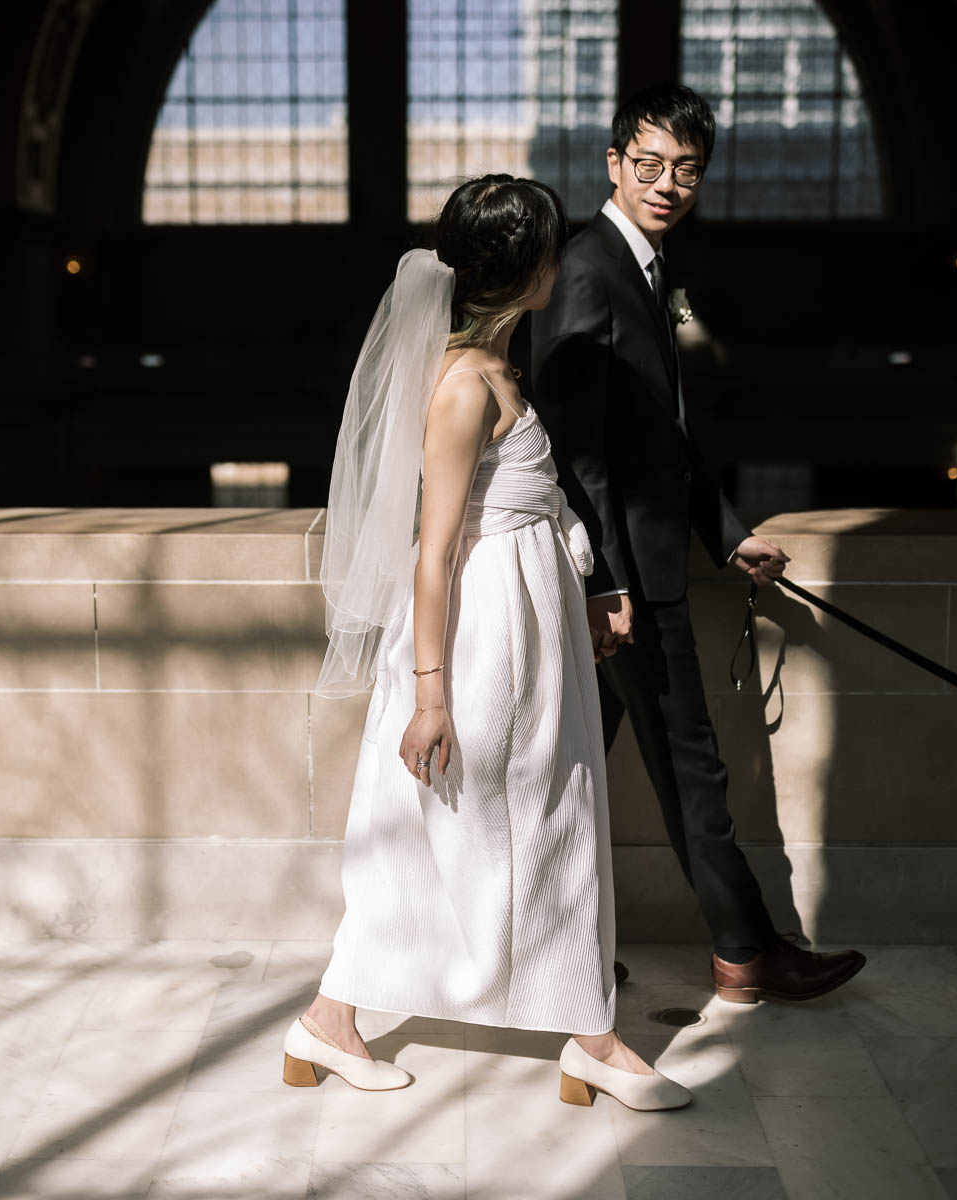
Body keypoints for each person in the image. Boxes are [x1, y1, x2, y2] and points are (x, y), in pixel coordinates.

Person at [284, 175, 690, 1112]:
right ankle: (586, 1038)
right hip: (482, 642)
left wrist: (587, 591)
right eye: (553, 245)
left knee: (517, 820)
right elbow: (432, 554)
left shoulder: (499, 365)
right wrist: (429, 697)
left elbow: (531, 502)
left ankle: (334, 1022)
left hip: (529, 626)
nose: (563, 257)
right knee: (508, 821)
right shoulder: (464, 386)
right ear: (526, 266)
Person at [529, 84, 866, 1003]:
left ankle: (547, 956)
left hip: (639, 572)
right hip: (625, 586)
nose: (666, 184)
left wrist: (726, 536)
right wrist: (604, 587)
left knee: (563, 777)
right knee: (689, 771)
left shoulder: (641, 267)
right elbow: (575, 450)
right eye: (647, 165)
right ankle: (746, 953)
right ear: (612, 163)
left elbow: (657, 438)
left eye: (686, 170)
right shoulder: (588, 268)